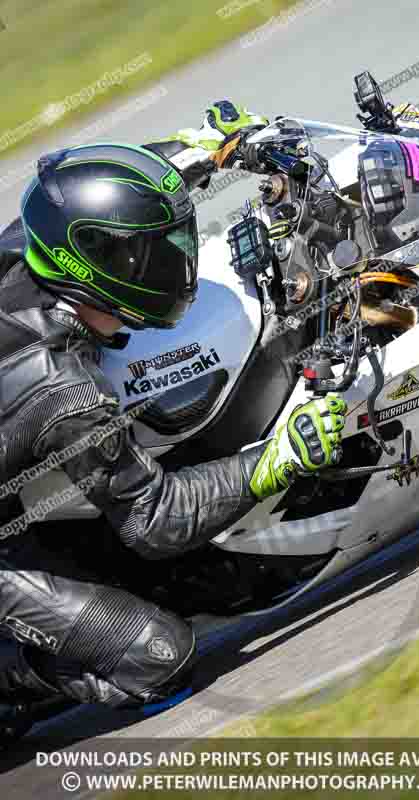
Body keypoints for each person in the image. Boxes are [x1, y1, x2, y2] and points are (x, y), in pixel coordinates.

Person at [0, 102, 347, 740]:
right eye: (156, 255)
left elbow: (96, 204)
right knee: (160, 658)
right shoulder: (64, 395)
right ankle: (9, 677)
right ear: (101, 271)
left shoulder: (34, 241)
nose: (177, 260)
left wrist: (201, 152)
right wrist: (272, 461)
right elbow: (155, 521)